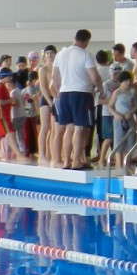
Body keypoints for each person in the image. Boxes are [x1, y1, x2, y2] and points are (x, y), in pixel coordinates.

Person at [54, 29, 100, 170]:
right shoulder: (86, 54)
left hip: (64, 93)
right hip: (81, 93)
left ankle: (67, 161)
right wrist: (101, 89)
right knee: (80, 128)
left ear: (74, 38)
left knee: (69, 128)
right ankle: (76, 162)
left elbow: (55, 78)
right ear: (87, 41)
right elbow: (94, 76)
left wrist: (58, 93)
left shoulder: (60, 54)